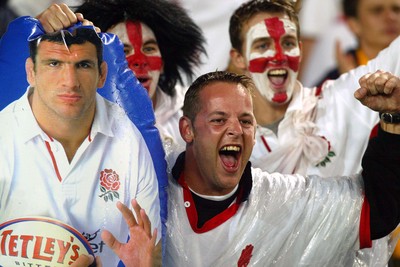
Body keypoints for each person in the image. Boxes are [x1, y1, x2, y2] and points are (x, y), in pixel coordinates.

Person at [136, 69, 400, 266]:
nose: (236, 130)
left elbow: (376, 211)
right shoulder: (145, 184)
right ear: (187, 129)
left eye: (246, 121)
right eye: (218, 120)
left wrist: (393, 120)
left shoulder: (280, 201)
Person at [0, 25, 161, 266]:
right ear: (31, 72)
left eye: (83, 65)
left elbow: (151, 254)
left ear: (102, 74)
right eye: (54, 63)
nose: (70, 82)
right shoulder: (4, 137)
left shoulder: (130, 143)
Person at [71, 0, 206, 149]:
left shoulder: (195, 108)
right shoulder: (77, 117)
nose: (139, 61)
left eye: (149, 49)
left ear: (163, 63)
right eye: (123, 51)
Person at [314, 0, 400, 86]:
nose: (391, 17)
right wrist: (349, 86)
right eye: (377, 11)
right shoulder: (332, 84)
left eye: (397, 9)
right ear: (353, 24)